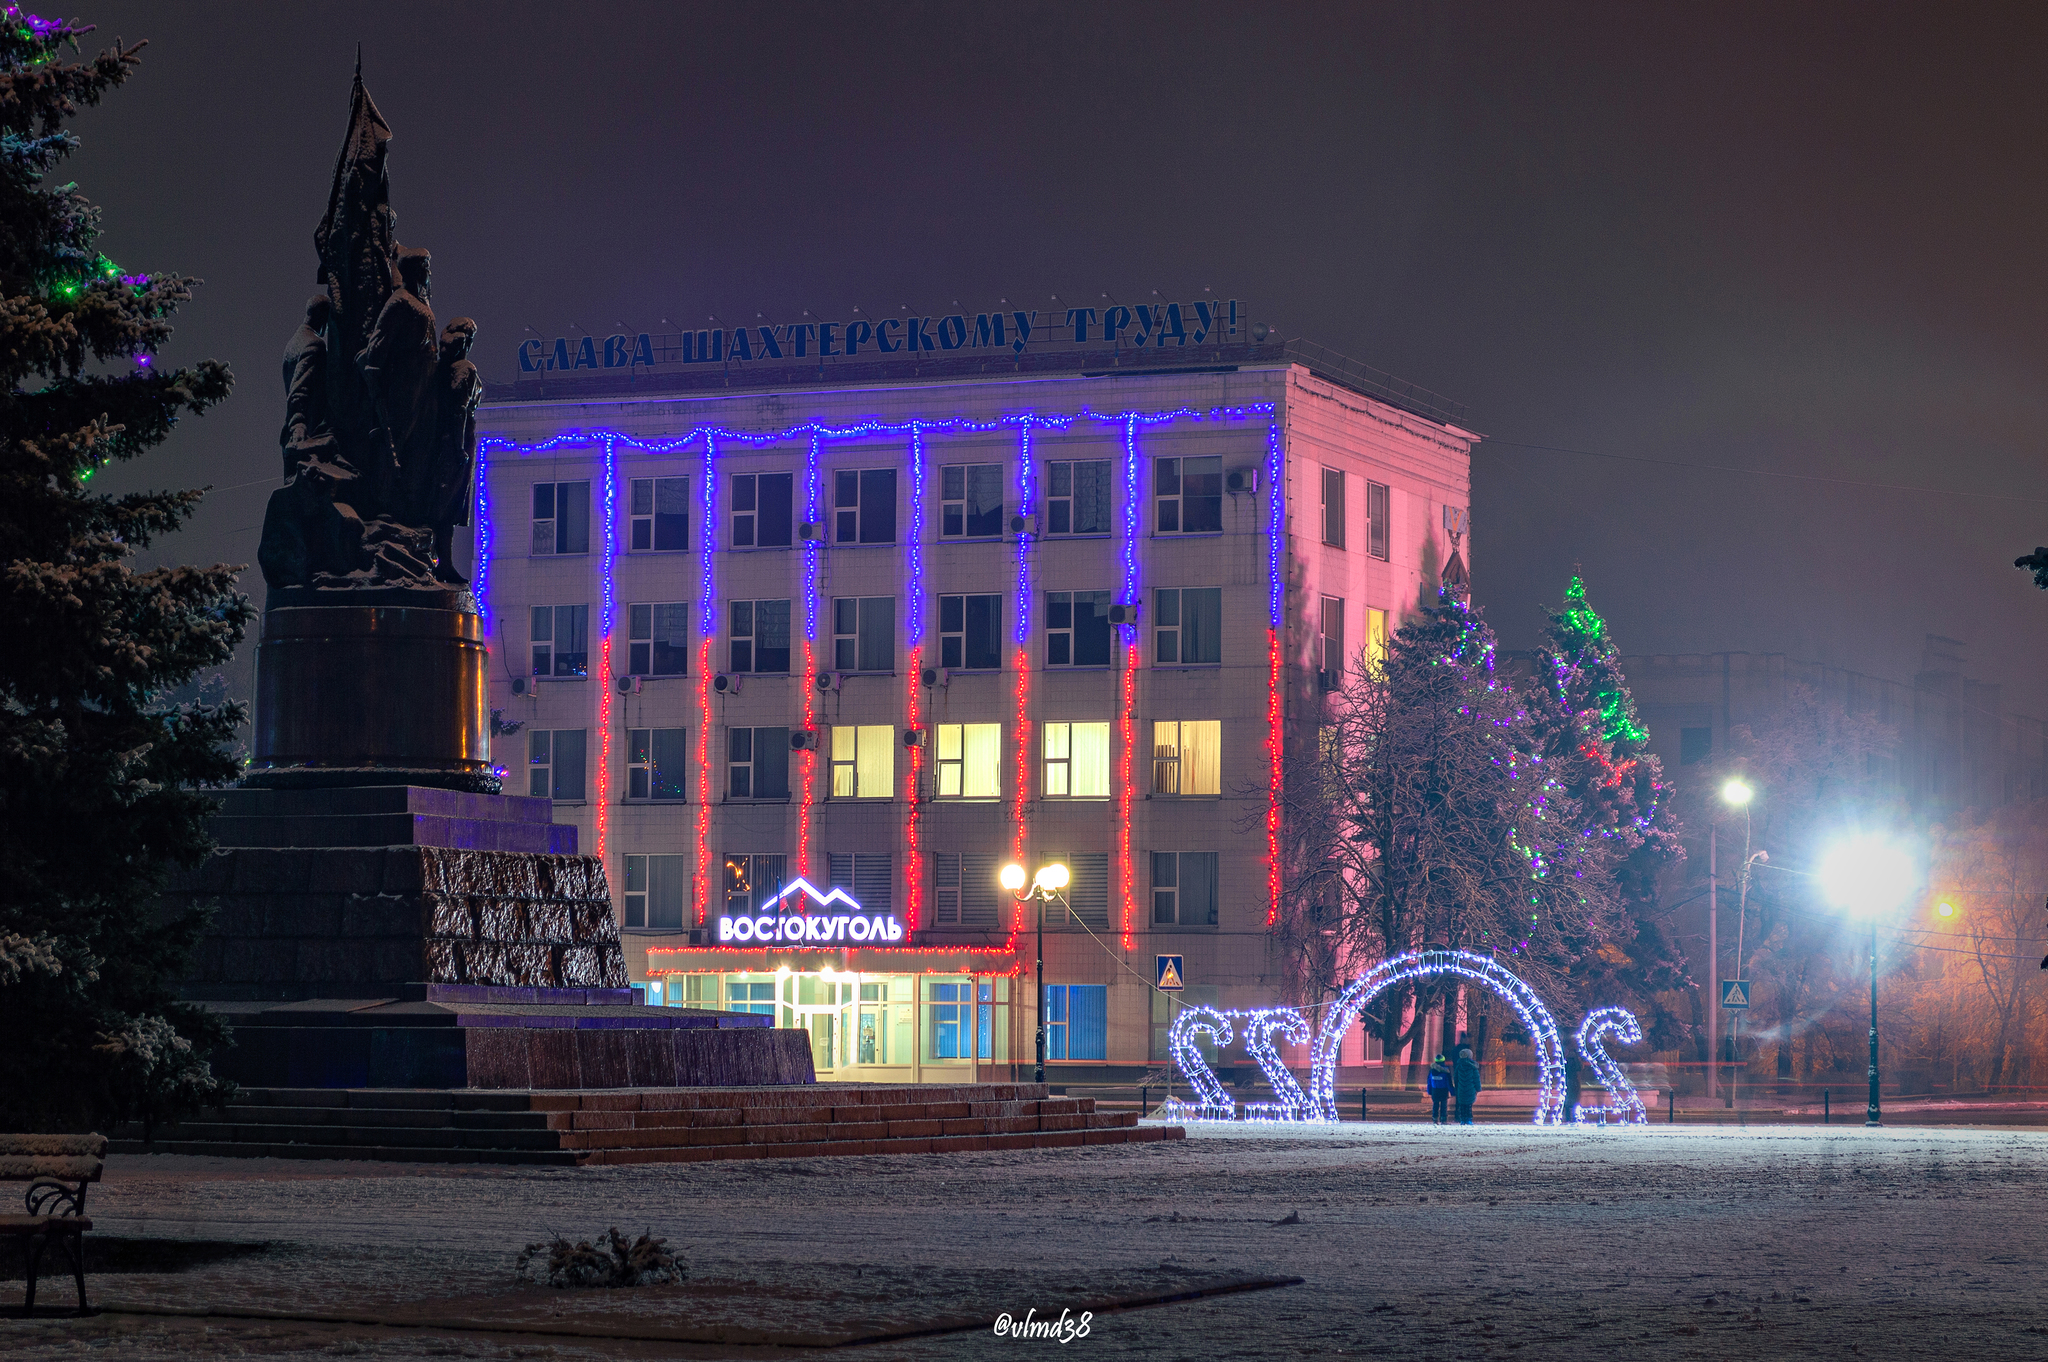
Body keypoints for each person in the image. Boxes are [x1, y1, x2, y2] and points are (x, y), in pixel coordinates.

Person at [1453, 1040, 1482, 1126]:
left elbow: (1456, 1078)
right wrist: (1478, 1088)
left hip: (1461, 1089)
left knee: (1462, 1106)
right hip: (1470, 1089)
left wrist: (1457, 1087)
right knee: (1469, 1106)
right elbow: (1476, 1079)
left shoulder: (1458, 1066)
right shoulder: (1473, 1068)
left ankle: (1462, 1119)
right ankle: (1469, 1119)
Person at [1426, 1053, 1452, 1125]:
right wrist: (1452, 1092)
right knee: (1444, 1105)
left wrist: (1429, 1091)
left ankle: (1435, 1119)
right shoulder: (1446, 1071)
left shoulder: (1431, 1071)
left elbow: (1429, 1082)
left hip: (1435, 1090)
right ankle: (1443, 1120)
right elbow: (1448, 1082)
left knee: (1435, 1105)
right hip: (1443, 1090)